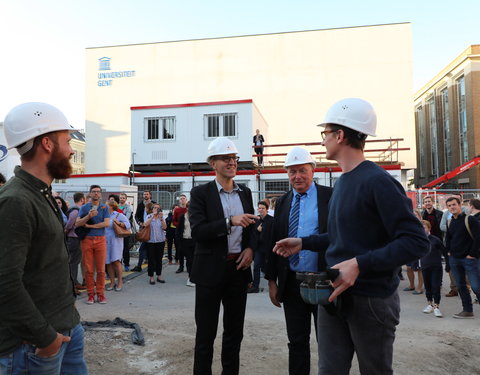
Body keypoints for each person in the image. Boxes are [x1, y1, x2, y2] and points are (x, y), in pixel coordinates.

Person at [273, 98, 429, 375]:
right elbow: (340, 235)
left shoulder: (378, 182)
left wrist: (359, 264)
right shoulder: (343, 182)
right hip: (333, 295)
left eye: (326, 134)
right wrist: (304, 243)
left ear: (340, 135)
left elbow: (416, 241)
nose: (323, 142)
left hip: (371, 299)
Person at [0, 102, 88, 373]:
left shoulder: (40, 193)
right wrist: (45, 338)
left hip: (66, 330)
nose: (72, 149)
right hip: (34, 346)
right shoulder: (16, 201)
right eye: (67, 140)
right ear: (48, 144)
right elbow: (4, 282)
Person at [189, 137, 258, 375]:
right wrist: (229, 222)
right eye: (226, 158)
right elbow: (198, 232)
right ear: (212, 163)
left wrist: (250, 249)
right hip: (209, 272)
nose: (232, 162)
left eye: (234, 158)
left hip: (237, 271)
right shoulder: (200, 194)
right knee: (205, 335)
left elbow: (251, 230)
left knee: (234, 334)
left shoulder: (245, 193)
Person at [265, 146, 332, 375]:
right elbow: (273, 241)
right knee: (297, 341)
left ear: (313, 170)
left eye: (302, 170)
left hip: (324, 282)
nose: (297, 176)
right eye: (292, 172)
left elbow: (339, 236)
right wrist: (272, 281)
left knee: (329, 342)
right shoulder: (282, 202)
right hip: (293, 283)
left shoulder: (329, 196)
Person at [445, 196, 480, 319]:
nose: (452, 207)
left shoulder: (469, 219)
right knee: (460, 286)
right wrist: (448, 252)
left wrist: (472, 254)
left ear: (460, 205)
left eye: (454, 204)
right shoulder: (450, 221)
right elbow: (448, 238)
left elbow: (478, 237)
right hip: (455, 259)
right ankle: (467, 310)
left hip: (469, 259)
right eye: (449, 206)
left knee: (476, 286)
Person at [76, 184, 110, 304]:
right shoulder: (84, 208)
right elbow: (77, 223)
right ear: (90, 193)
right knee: (89, 269)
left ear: (100, 194)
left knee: (101, 270)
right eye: (94, 191)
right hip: (87, 240)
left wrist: (90, 225)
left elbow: (106, 223)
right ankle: (90, 294)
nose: (96, 193)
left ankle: (100, 294)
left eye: (98, 191)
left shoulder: (104, 208)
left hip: (100, 239)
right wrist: (88, 216)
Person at [419, 220, 445, 318]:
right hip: (425, 266)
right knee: (428, 286)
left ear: (429, 228)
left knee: (435, 286)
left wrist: (447, 264)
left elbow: (444, 251)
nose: (422, 229)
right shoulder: (419, 240)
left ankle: (436, 306)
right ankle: (429, 304)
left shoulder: (435, 240)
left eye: (424, 227)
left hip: (436, 267)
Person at [248, 200, 273, 294]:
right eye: (259, 208)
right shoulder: (256, 220)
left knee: (269, 268)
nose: (261, 210)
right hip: (259, 248)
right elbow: (254, 235)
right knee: (256, 266)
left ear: (267, 209)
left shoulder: (272, 220)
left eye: (263, 208)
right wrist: (258, 231)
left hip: (268, 248)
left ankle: (273, 286)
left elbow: (273, 234)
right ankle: (255, 286)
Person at [105, 200, 131, 291]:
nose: (104, 207)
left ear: (111, 206)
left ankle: (119, 282)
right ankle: (112, 282)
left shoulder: (118, 215)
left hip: (116, 241)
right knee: (108, 262)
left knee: (116, 261)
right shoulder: (104, 216)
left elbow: (128, 225)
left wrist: (119, 223)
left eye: (106, 205)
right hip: (105, 241)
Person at [65, 192, 86, 293]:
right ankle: (72, 284)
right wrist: (67, 230)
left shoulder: (77, 210)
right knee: (73, 262)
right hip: (74, 239)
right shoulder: (76, 211)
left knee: (75, 261)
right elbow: (69, 224)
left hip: (75, 238)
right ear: (82, 199)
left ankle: (75, 282)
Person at [144, 202, 167, 284]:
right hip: (151, 241)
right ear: (152, 209)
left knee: (159, 259)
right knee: (151, 259)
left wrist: (161, 218)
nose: (156, 209)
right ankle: (151, 277)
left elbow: (165, 228)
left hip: (160, 241)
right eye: (155, 208)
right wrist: (153, 216)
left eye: (158, 208)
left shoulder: (162, 217)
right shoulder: (148, 216)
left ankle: (159, 275)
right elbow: (145, 225)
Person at [132, 190, 155, 272]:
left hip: (152, 229)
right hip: (143, 228)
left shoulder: (154, 204)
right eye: (144, 194)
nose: (145, 195)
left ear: (150, 195)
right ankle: (142, 264)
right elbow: (136, 215)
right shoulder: (140, 204)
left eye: (147, 194)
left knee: (146, 247)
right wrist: (139, 223)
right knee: (144, 246)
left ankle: (142, 265)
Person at [176, 202, 196, 287]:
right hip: (185, 241)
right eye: (189, 207)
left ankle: (194, 277)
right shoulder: (182, 217)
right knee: (189, 259)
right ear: (187, 208)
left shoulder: (196, 217)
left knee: (195, 260)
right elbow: (178, 230)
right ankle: (190, 278)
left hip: (194, 241)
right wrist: (179, 242)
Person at [173, 194, 188, 273]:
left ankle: (189, 267)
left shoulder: (189, 209)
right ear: (179, 201)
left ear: (186, 200)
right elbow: (174, 220)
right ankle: (181, 267)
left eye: (183, 198)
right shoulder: (177, 210)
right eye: (181, 199)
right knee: (180, 250)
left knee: (188, 251)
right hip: (179, 233)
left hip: (188, 232)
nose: (182, 200)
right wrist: (179, 225)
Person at [119, 192, 133, 271]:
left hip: (125, 230)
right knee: (118, 248)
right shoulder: (116, 206)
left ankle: (126, 264)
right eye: (121, 198)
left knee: (125, 248)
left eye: (123, 198)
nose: (122, 199)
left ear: (126, 199)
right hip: (117, 230)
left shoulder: (128, 207)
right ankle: (118, 264)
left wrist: (119, 222)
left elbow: (126, 219)